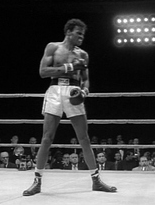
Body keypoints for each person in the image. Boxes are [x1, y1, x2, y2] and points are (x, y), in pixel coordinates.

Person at [23, 19, 116, 196]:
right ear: (68, 32)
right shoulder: (53, 47)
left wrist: (85, 91)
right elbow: (43, 72)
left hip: (74, 90)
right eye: (78, 33)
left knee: (84, 138)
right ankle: (37, 182)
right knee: (47, 138)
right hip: (55, 90)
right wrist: (70, 67)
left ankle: (96, 180)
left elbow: (86, 78)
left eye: (83, 34)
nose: (81, 36)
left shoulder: (83, 55)